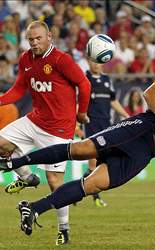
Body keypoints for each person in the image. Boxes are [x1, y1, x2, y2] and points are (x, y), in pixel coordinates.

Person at [1, 58, 155, 239]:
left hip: (145, 153)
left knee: (93, 185)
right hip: (139, 130)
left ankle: (33, 208)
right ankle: (13, 163)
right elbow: (150, 93)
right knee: (81, 150)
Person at [0, 20, 91, 245]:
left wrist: (82, 113)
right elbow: (19, 89)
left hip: (59, 129)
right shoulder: (26, 58)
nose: (34, 43)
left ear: (49, 36)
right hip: (35, 120)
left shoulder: (62, 59)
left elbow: (84, 84)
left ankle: (64, 229)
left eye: (38, 38)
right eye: (31, 39)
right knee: (1, 143)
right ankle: (28, 178)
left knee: (54, 181)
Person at [84, 60, 129, 207]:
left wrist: (126, 115)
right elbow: (79, 102)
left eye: (98, 62)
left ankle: (77, 193)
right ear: (88, 62)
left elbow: (113, 101)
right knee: (92, 164)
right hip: (90, 124)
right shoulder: (85, 78)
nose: (96, 65)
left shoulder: (106, 79)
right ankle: (94, 197)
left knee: (99, 163)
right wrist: (77, 123)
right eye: (93, 61)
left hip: (105, 124)